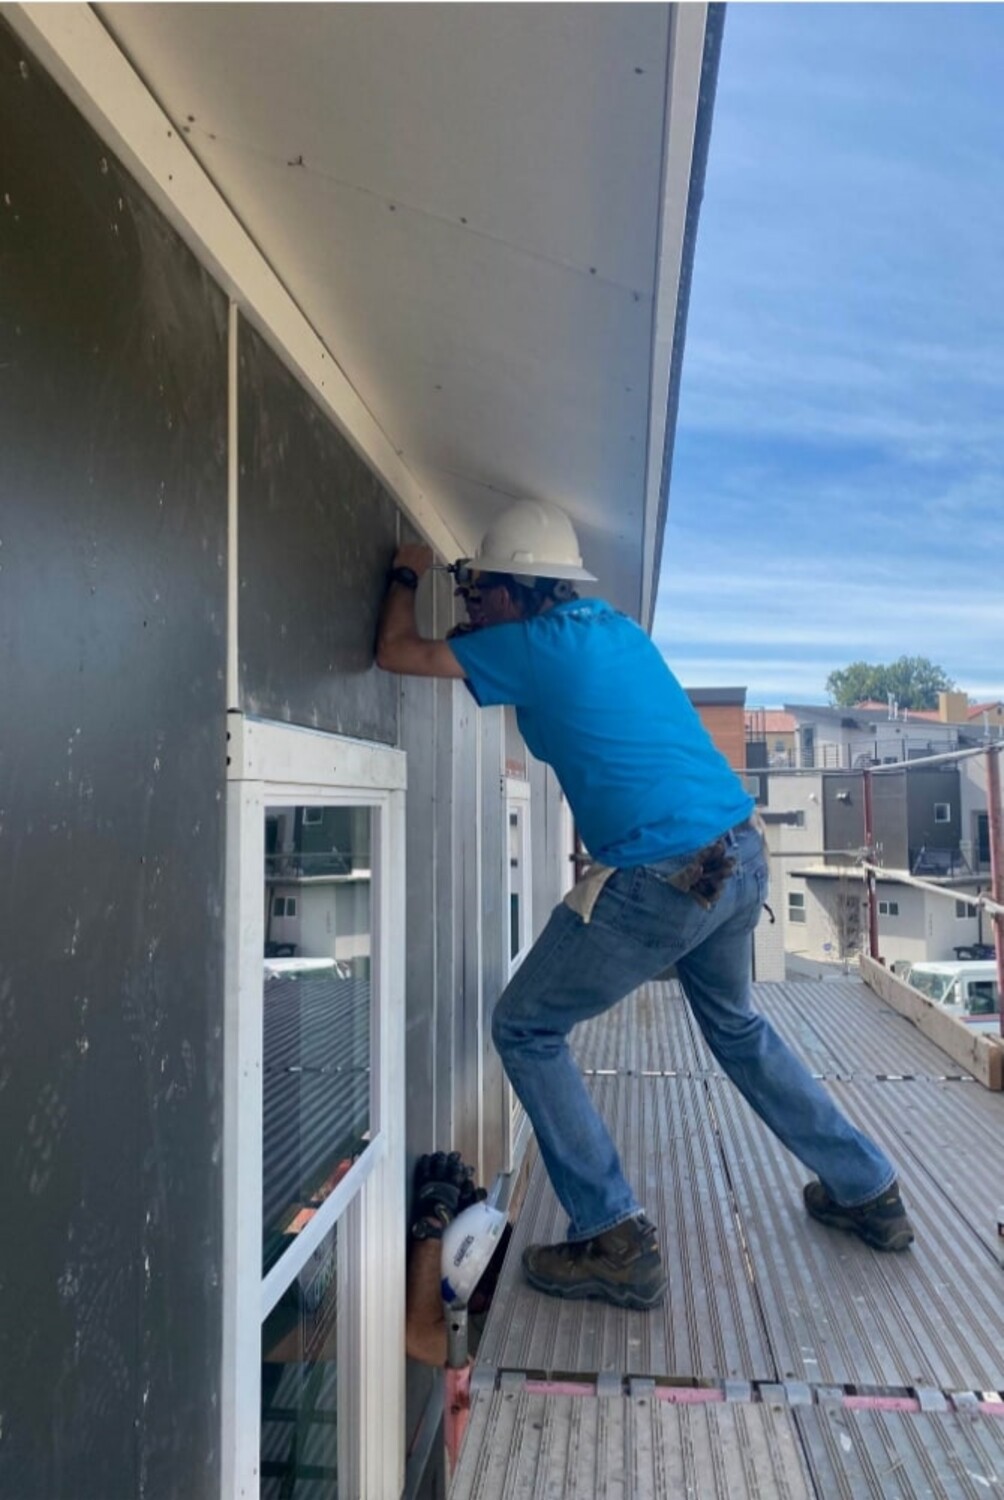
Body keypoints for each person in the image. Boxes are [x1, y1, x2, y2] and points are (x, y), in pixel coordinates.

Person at [376, 499, 914, 1311]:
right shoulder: (612, 631)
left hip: (663, 877)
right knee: (738, 1029)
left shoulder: (529, 647)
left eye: (481, 589)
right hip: (738, 856)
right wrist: (483, 631)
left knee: (524, 1026)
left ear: (520, 590)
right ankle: (868, 1188)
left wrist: (407, 571)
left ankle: (614, 1237)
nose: (472, 603)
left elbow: (395, 652)